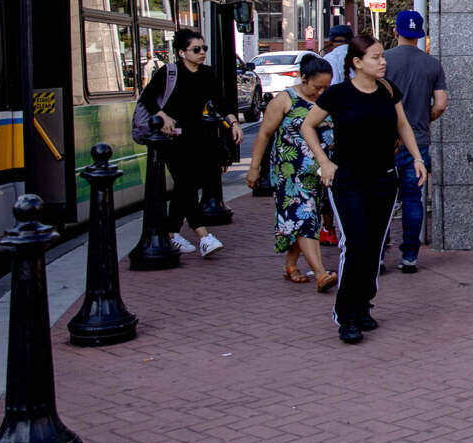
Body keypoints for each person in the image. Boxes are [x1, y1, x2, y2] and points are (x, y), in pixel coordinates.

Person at [302, 32, 427, 344]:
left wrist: (416, 158)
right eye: (375, 57)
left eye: (382, 56)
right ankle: (346, 315)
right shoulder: (339, 94)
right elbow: (308, 125)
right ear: (357, 63)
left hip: (384, 179)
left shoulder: (387, 90)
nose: (382, 62)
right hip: (348, 181)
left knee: (373, 247)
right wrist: (324, 162)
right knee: (356, 244)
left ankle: (363, 305)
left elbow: (402, 125)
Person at [139, 28, 240, 259]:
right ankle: (203, 235)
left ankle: (172, 232)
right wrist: (162, 115)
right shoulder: (169, 72)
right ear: (182, 52)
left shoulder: (207, 74)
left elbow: (220, 101)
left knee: (187, 185)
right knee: (184, 182)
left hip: (196, 137)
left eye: (203, 48)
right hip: (170, 137)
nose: (202, 52)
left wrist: (233, 122)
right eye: (196, 49)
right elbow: (146, 98)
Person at [247, 54, 338, 292]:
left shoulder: (327, 100)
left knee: (307, 220)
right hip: (290, 173)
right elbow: (264, 134)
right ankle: (320, 273)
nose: (320, 93)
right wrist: (254, 167)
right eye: (316, 87)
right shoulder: (285, 100)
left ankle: (290, 265)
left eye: (326, 88)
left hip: (319, 172)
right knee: (304, 218)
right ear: (303, 78)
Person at [382, 10, 448, 273]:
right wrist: (424, 118)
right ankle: (409, 256)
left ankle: (378, 254)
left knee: (382, 200)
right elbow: (441, 104)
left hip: (384, 142)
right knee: (413, 199)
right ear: (420, 34)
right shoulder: (432, 64)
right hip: (417, 141)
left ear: (396, 31)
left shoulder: (382, 61)